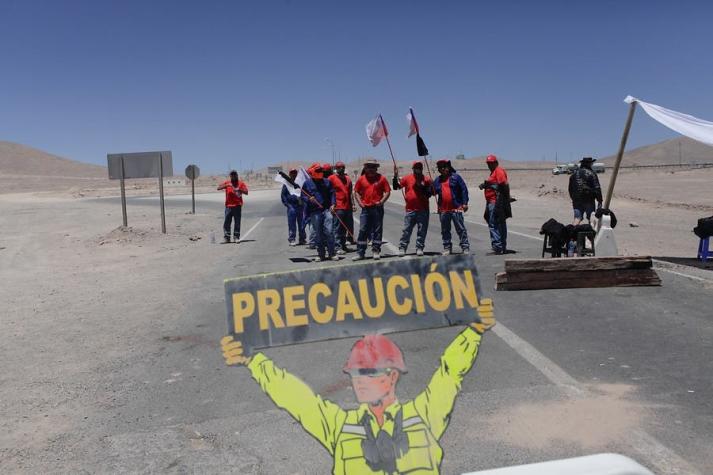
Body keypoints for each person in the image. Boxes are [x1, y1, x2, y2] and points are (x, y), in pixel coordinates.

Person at [220, 300, 495, 475]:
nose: (359, 380)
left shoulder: (424, 416)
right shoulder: (340, 426)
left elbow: (449, 373)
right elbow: (297, 398)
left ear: (392, 376)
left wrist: (474, 332)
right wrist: (253, 360)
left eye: (368, 372)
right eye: (355, 373)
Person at [353, 160, 391, 261]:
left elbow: (387, 191)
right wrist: (360, 203)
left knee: (377, 230)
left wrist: (382, 201)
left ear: (376, 168)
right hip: (365, 209)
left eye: (373, 167)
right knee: (363, 230)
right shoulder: (361, 179)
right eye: (368, 166)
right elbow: (356, 192)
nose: (371, 169)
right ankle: (360, 253)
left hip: (377, 208)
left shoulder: (381, 178)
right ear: (365, 168)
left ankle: (376, 250)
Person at [393, 161, 433, 257]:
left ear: (422, 168)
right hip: (410, 209)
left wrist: (423, 187)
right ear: (413, 168)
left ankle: (419, 247)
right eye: (416, 167)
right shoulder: (407, 178)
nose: (418, 169)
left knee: (422, 230)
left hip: (423, 209)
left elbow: (430, 194)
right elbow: (396, 187)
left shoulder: (426, 179)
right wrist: (395, 176)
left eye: (419, 167)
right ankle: (402, 248)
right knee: (407, 230)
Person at [302, 163, 338, 262]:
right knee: (318, 233)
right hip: (315, 212)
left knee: (330, 231)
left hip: (327, 210)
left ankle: (332, 253)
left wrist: (333, 204)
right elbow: (303, 196)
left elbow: (332, 193)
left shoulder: (327, 182)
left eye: (321, 171)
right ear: (313, 172)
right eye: (318, 171)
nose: (320, 172)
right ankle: (321, 254)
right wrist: (309, 199)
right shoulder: (307, 183)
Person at [432, 159, 469, 255]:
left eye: (443, 167)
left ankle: (465, 247)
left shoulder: (456, 177)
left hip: (456, 208)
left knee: (460, 228)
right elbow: (432, 192)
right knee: (445, 230)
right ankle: (447, 247)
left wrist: (465, 203)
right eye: (440, 168)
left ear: (448, 167)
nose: (442, 169)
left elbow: (464, 190)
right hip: (443, 209)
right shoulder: (437, 180)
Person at [478, 155, 510, 254]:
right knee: (498, 223)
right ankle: (501, 246)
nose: (489, 165)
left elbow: (502, 185)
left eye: (491, 163)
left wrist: (488, 185)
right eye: (488, 163)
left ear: (496, 162)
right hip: (493, 201)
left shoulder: (499, 171)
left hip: (495, 201)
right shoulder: (493, 172)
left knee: (494, 223)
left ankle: (498, 246)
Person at [329, 161, 355, 254]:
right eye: (339, 167)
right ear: (336, 168)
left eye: (343, 167)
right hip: (338, 207)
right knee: (337, 228)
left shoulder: (348, 179)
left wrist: (353, 204)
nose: (341, 169)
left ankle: (343, 246)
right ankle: (337, 247)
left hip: (347, 207)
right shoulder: (331, 178)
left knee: (345, 228)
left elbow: (350, 193)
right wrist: (331, 204)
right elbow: (329, 192)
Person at [568, 157, 603, 225]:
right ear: (589, 164)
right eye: (591, 163)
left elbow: (570, 189)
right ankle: (591, 235)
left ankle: (572, 233)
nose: (592, 164)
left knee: (577, 218)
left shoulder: (574, 174)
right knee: (591, 218)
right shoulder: (592, 173)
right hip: (588, 200)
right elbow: (597, 188)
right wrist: (600, 200)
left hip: (576, 200)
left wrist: (574, 198)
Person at [217, 170, 248, 243]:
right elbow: (218, 188)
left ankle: (236, 237)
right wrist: (226, 185)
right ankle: (227, 238)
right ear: (230, 176)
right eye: (232, 175)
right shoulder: (227, 183)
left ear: (237, 175)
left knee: (237, 222)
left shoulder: (240, 183)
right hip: (228, 206)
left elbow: (246, 192)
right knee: (227, 222)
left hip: (237, 206)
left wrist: (239, 189)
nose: (233, 176)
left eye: (235, 175)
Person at [281, 169, 306, 246]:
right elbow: (283, 195)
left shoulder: (300, 183)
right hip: (291, 206)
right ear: (289, 174)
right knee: (292, 224)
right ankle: (292, 239)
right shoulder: (286, 184)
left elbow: (304, 193)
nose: (294, 174)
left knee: (302, 223)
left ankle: (302, 239)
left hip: (300, 206)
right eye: (292, 173)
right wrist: (287, 205)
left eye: (295, 173)